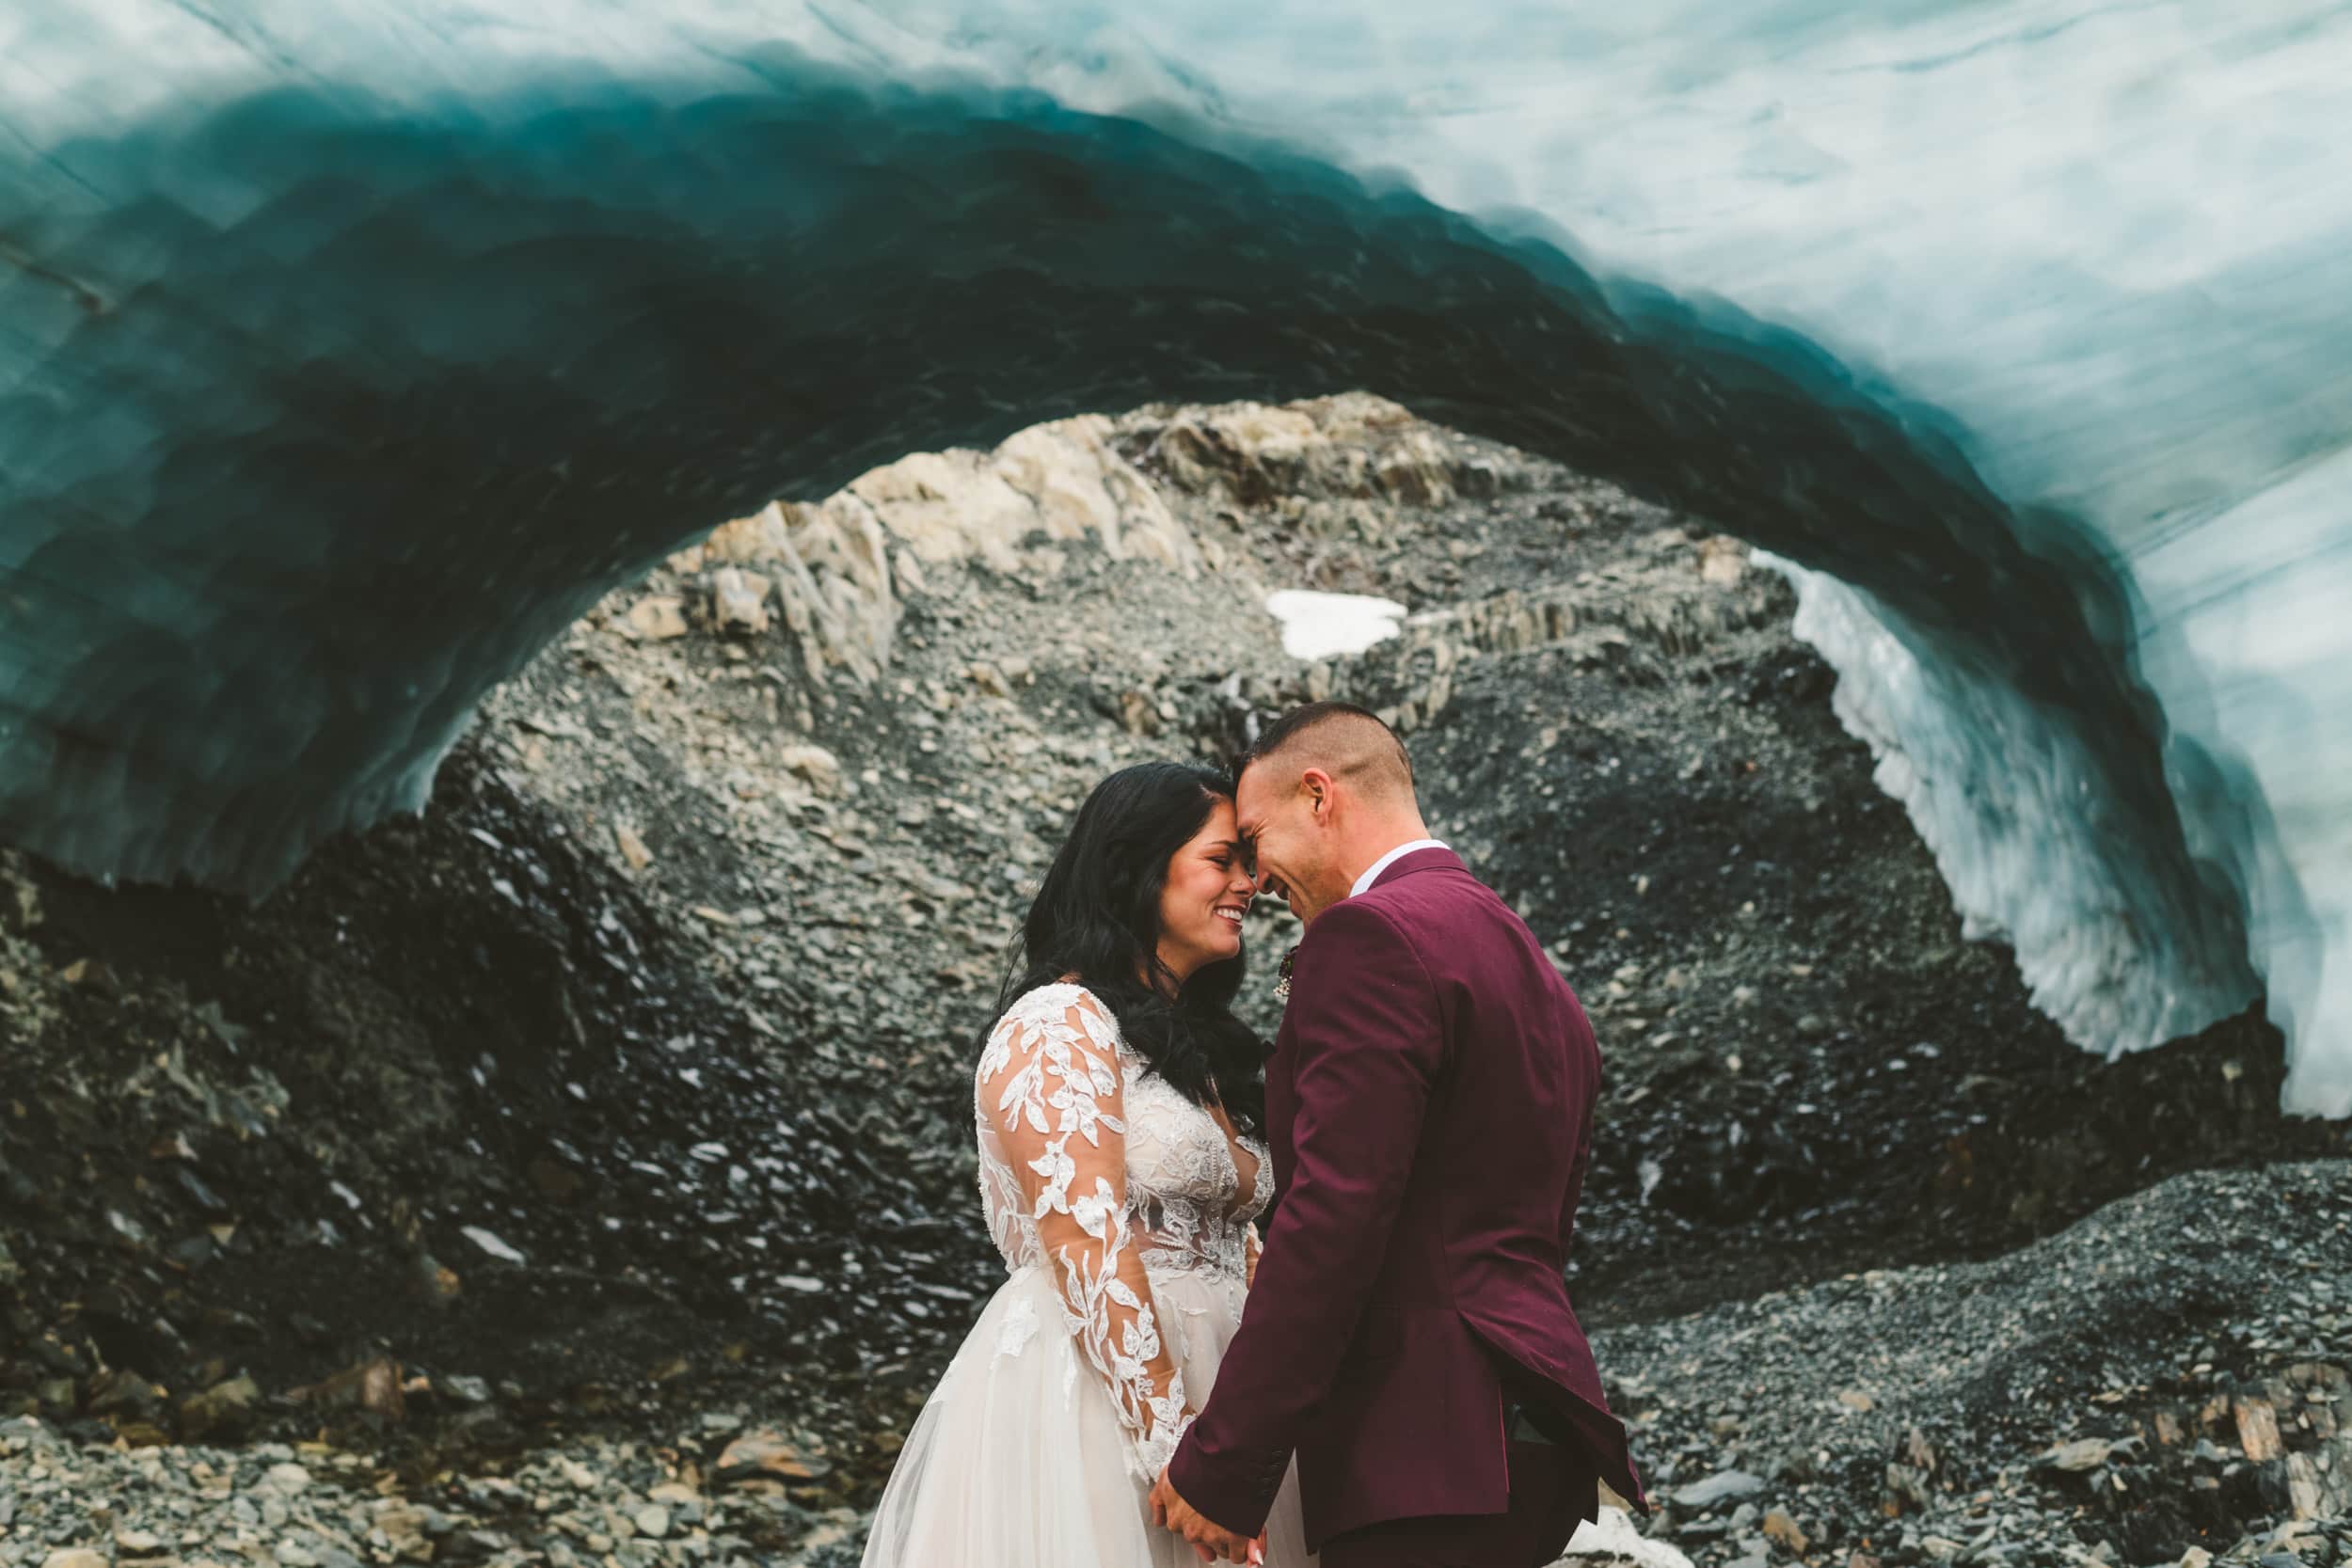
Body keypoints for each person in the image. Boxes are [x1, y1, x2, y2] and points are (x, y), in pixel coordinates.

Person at [1151, 702, 1645, 1568]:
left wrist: (1226, 1467)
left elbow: (1334, 1220)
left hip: (1424, 1442)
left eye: (1258, 838)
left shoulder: (1368, 937)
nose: (1258, 879)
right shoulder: (1521, 955)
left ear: (1319, 796)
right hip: (1533, 1427)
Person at [861, 760, 1315, 1567]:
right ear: (1136, 870)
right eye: (1222, 859)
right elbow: (1087, 1242)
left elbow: (1237, 1238)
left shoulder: (1196, 1045)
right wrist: (1176, 1451)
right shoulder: (1059, 1023)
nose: (1249, 883)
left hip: (1226, 1398)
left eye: (1248, 861)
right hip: (1102, 1404)